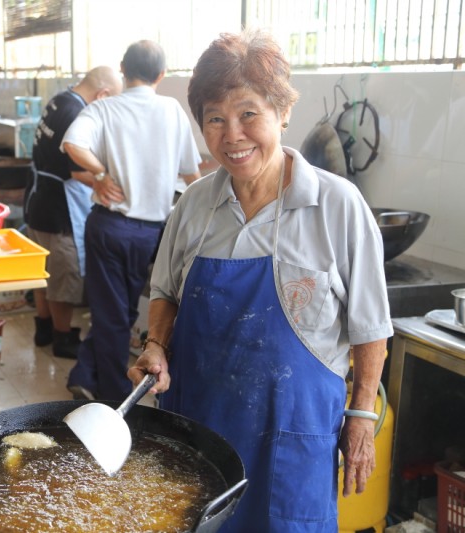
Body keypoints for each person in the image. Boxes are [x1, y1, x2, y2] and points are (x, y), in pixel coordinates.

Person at [129, 30, 392, 531]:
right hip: (197, 432)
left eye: (248, 113)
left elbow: (371, 327)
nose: (233, 135)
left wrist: (360, 417)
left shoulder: (337, 206)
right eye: (215, 119)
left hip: (291, 441)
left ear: (283, 111)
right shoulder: (194, 205)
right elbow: (164, 292)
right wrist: (156, 344)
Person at [61, 40, 201, 401]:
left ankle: (92, 379)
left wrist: (100, 172)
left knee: (113, 313)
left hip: (108, 226)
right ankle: (112, 395)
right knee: (119, 312)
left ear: (122, 69)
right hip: (151, 234)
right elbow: (192, 175)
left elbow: (72, 144)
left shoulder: (105, 108)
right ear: (161, 75)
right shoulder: (172, 111)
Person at [24, 66, 123, 359]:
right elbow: (79, 171)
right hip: (58, 209)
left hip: (38, 200)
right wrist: (111, 184)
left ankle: (43, 328)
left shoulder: (60, 99)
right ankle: (63, 337)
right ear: (102, 95)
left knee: (42, 273)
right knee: (62, 277)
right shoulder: (77, 113)